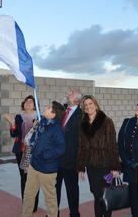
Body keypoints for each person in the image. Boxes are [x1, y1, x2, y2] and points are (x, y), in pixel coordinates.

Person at [77, 95, 120, 217]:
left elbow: (113, 145)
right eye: (86, 105)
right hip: (91, 166)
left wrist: (115, 167)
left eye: (91, 103)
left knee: (106, 195)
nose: (88, 106)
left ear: (95, 105)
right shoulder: (83, 124)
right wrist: (81, 167)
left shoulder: (106, 121)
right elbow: (82, 147)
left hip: (106, 165)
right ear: (84, 108)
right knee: (96, 196)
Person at [22, 101, 66, 217]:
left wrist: (46, 155)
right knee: (28, 194)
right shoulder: (42, 123)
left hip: (47, 170)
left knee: (50, 199)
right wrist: (33, 142)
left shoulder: (57, 129)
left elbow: (61, 148)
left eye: (48, 107)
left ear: (53, 113)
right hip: (34, 165)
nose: (45, 108)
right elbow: (35, 139)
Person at [4, 95, 39, 211]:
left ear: (35, 105)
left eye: (31, 102)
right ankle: (26, 204)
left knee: (34, 178)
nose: (28, 103)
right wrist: (12, 124)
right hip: (21, 150)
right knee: (24, 177)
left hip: (34, 151)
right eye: (26, 101)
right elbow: (14, 134)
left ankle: (33, 204)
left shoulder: (39, 117)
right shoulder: (19, 117)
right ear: (23, 104)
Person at [56, 88, 83, 217]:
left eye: (71, 93)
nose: (68, 93)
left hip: (71, 160)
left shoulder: (81, 115)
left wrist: (80, 162)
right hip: (56, 159)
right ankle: (53, 213)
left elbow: (81, 140)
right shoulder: (62, 112)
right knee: (54, 189)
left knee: (72, 190)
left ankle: (74, 214)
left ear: (77, 99)